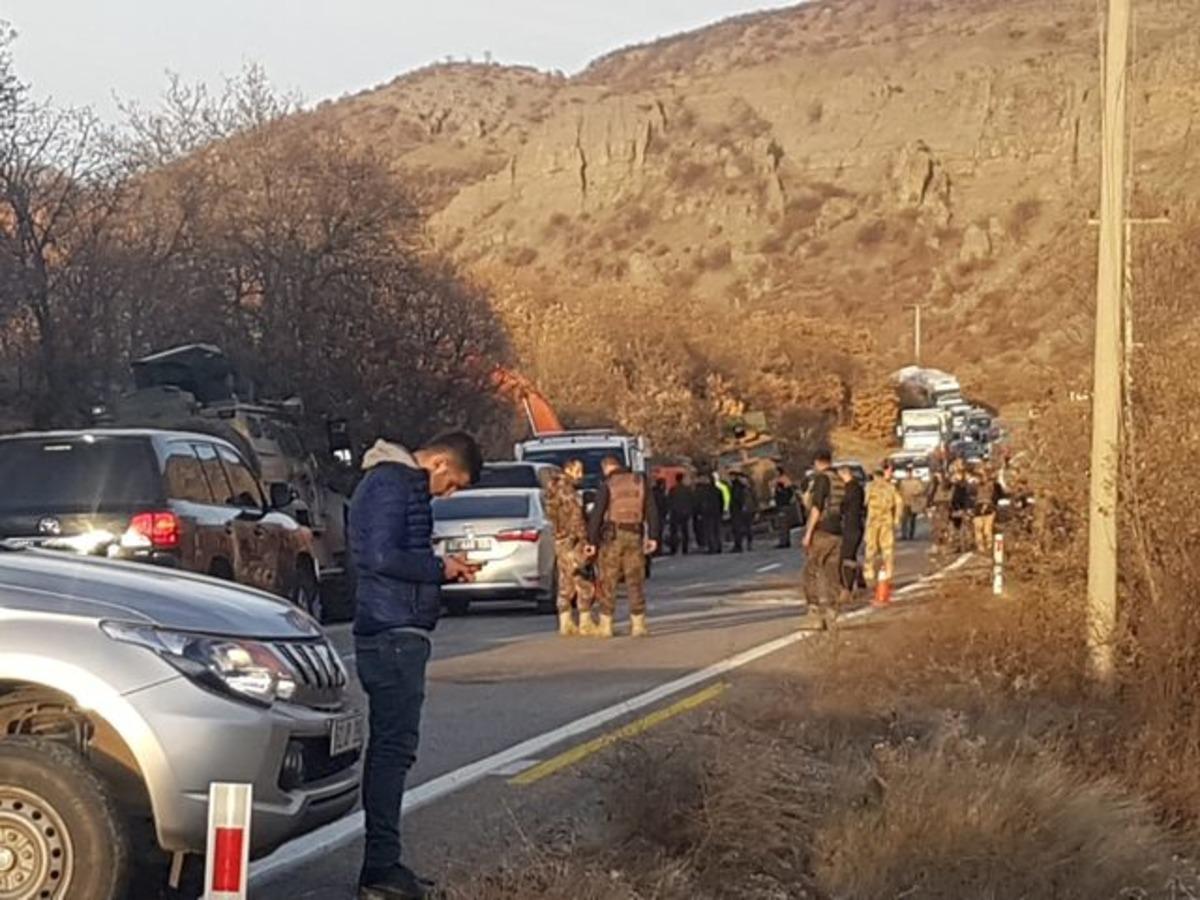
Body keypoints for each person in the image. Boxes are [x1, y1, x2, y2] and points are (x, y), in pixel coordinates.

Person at [350, 432, 482, 900]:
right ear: (441, 464)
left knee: (394, 748)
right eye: (454, 485)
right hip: (392, 633)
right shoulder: (393, 483)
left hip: (394, 628)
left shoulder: (390, 483)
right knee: (392, 750)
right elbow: (380, 556)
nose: (448, 495)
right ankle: (380, 868)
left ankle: (383, 864)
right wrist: (437, 570)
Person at [587, 456, 661, 637]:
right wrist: (653, 536)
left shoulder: (608, 484)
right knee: (635, 580)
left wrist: (592, 542)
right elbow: (652, 510)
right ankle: (638, 624)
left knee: (609, 580)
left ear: (606, 468)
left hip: (613, 536)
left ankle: (606, 625)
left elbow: (597, 514)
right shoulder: (639, 481)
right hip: (635, 534)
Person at [543, 458, 597, 637]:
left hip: (559, 538)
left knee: (565, 579)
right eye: (578, 471)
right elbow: (576, 517)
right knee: (582, 578)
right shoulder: (567, 490)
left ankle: (565, 621)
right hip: (572, 540)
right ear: (568, 470)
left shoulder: (551, 488)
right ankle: (585, 622)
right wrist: (585, 540)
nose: (581, 475)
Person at [800, 450, 844, 628]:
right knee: (832, 572)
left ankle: (814, 613)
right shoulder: (839, 480)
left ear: (818, 462)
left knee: (811, 571)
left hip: (823, 531)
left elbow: (817, 507)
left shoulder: (822, 479)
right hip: (838, 531)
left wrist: (808, 533)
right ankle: (833, 612)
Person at [864, 463, 903, 587]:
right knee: (887, 548)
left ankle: (869, 571)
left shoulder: (869, 487)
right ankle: (888, 572)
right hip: (886, 520)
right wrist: (897, 518)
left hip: (873, 520)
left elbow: (864, 502)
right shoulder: (890, 487)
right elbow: (899, 503)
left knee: (871, 547)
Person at [838, 464, 866, 603]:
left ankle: (847, 588)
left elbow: (843, 506)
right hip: (857, 525)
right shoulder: (859, 488)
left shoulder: (850, 489)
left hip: (851, 526)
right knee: (852, 556)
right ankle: (860, 582)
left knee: (846, 558)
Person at [973, 463, 1002, 555]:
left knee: (987, 530)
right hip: (977, 509)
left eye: (982, 476)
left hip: (989, 509)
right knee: (978, 529)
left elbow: (996, 494)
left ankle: (989, 546)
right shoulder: (974, 486)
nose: (980, 478)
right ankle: (980, 547)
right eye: (979, 476)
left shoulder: (992, 485)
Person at [667, 473, 694, 555]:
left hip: (675, 512)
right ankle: (685, 548)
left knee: (674, 531)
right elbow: (691, 501)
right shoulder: (687, 489)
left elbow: (669, 501)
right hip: (685, 513)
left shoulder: (673, 489)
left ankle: (673, 549)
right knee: (685, 531)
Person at [696, 474, 724, 554]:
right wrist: (721, 511)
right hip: (717, 512)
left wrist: (699, 512)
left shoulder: (704, 491)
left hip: (707, 513)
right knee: (717, 530)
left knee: (709, 530)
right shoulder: (718, 490)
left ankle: (712, 547)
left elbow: (700, 502)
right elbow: (721, 502)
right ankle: (719, 546)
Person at [898, 465, 927, 541]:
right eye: (907, 472)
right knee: (904, 520)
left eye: (910, 472)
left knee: (912, 520)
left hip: (913, 503)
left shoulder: (916, 482)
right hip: (905, 502)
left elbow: (921, 490)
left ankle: (911, 534)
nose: (908, 474)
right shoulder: (903, 482)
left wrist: (915, 493)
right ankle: (904, 534)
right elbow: (900, 491)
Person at [729, 473, 754, 552]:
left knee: (739, 528)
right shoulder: (747, 488)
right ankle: (748, 543)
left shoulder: (737, 488)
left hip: (739, 511)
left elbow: (737, 499)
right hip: (746, 510)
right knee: (747, 527)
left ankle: (739, 545)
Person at [773, 471, 798, 549]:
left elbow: (783, 495)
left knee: (783, 525)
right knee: (784, 525)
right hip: (785, 505)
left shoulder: (782, 484)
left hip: (783, 506)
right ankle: (785, 541)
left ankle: (783, 542)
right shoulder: (787, 485)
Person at [651, 478, 670, 555]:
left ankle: (656, 549)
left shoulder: (653, 492)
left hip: (657, 514)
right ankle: (658, 549)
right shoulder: (661, 494)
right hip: (659, 515)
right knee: (659, 533)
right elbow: (664, 505)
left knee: (656, 533)